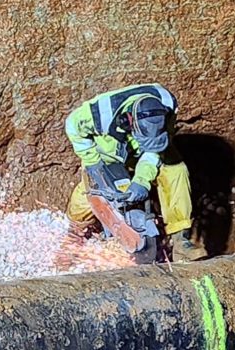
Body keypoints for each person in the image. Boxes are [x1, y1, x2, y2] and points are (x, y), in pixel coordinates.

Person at [65, 83, 204, 264]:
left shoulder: (167, 104)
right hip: (107, 150)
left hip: (150, 147)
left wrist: (141, 180)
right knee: (91, 189)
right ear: (129, 120)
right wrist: (92, 161)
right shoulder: (98, 114)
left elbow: (154, 151)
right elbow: (72, 126)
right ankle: (75, 234)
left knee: (176, 170)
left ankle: (180, 240)